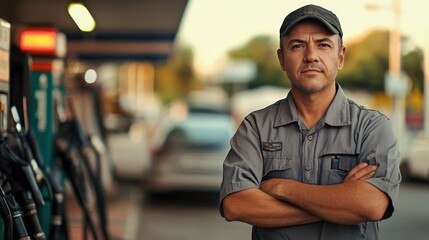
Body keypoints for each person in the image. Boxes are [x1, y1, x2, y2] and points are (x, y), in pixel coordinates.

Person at [219, 4, 401, 240]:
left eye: (323, 44)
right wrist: (341, 202)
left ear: (340, 57)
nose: (311, 56)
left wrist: (280, 188)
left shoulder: (372, 128)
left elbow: (372, 205)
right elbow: (236, 205)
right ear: (282, 59)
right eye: (297, 46)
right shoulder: (255, 128)